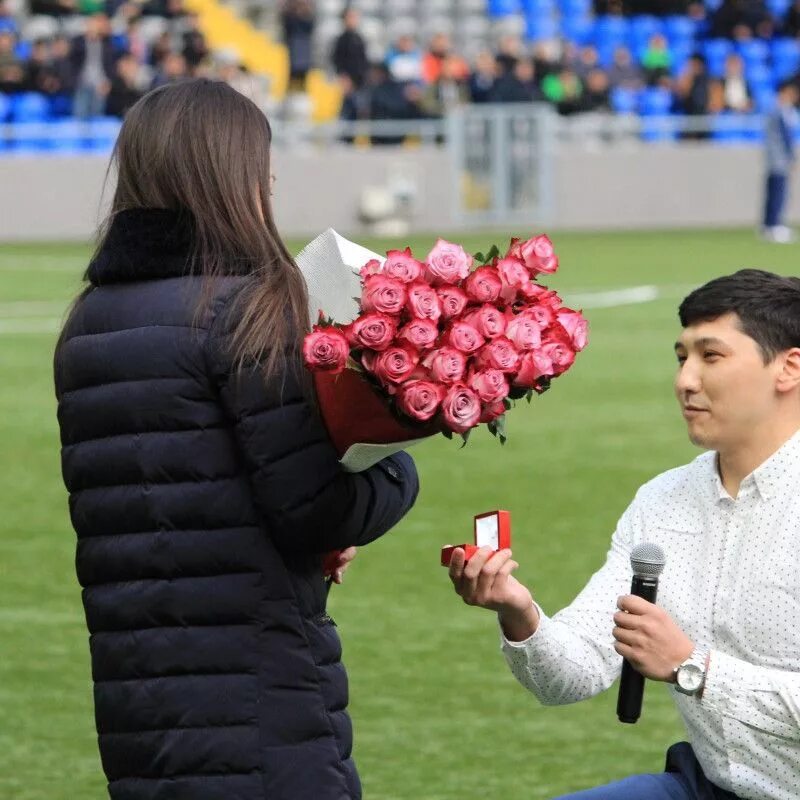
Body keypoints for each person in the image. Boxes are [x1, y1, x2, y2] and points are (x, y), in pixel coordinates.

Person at [53, 79, 418, 800]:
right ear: (229, 176)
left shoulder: (87, 321)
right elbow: (314, 509)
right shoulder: (242, 309)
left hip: (137, 691)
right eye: (262, 171)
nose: (269, 188)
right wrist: (396, 469)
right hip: (257, 688)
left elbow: (184, 494)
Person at [449, 268, 800, 799]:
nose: (685, 380)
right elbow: (574, 673)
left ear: (788, 368)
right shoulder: (662, 500)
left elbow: (687, 666)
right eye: (681, 357)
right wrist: (518, 612)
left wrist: (693, 668)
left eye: (711, 356)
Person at [761, 81, 799, 244]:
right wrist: (791, 156)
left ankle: (770, 224)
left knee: (774, 191)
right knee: (777, 192)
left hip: (776, 158)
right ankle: (774, 224)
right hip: (779, 159)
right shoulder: (779, 111)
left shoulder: (780, 111)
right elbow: (784, 138)